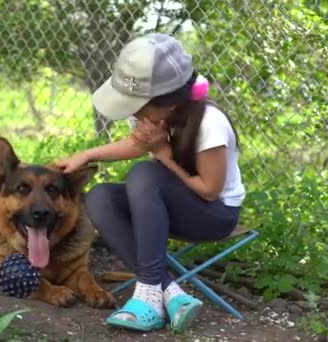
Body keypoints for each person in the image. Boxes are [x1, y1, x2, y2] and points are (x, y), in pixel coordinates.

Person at [54, 32, 245, 333]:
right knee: (100, 198)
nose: (133, 112)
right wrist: (85, 154)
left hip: (215, 215)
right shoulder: (152, 116)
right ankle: (169, 293)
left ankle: (146, 291)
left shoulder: (210, 124)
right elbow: (135, 145)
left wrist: (163, 155)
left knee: (145, 174)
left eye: (138, 105)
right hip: (172, 207)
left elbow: (210, 191)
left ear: (167, 103)